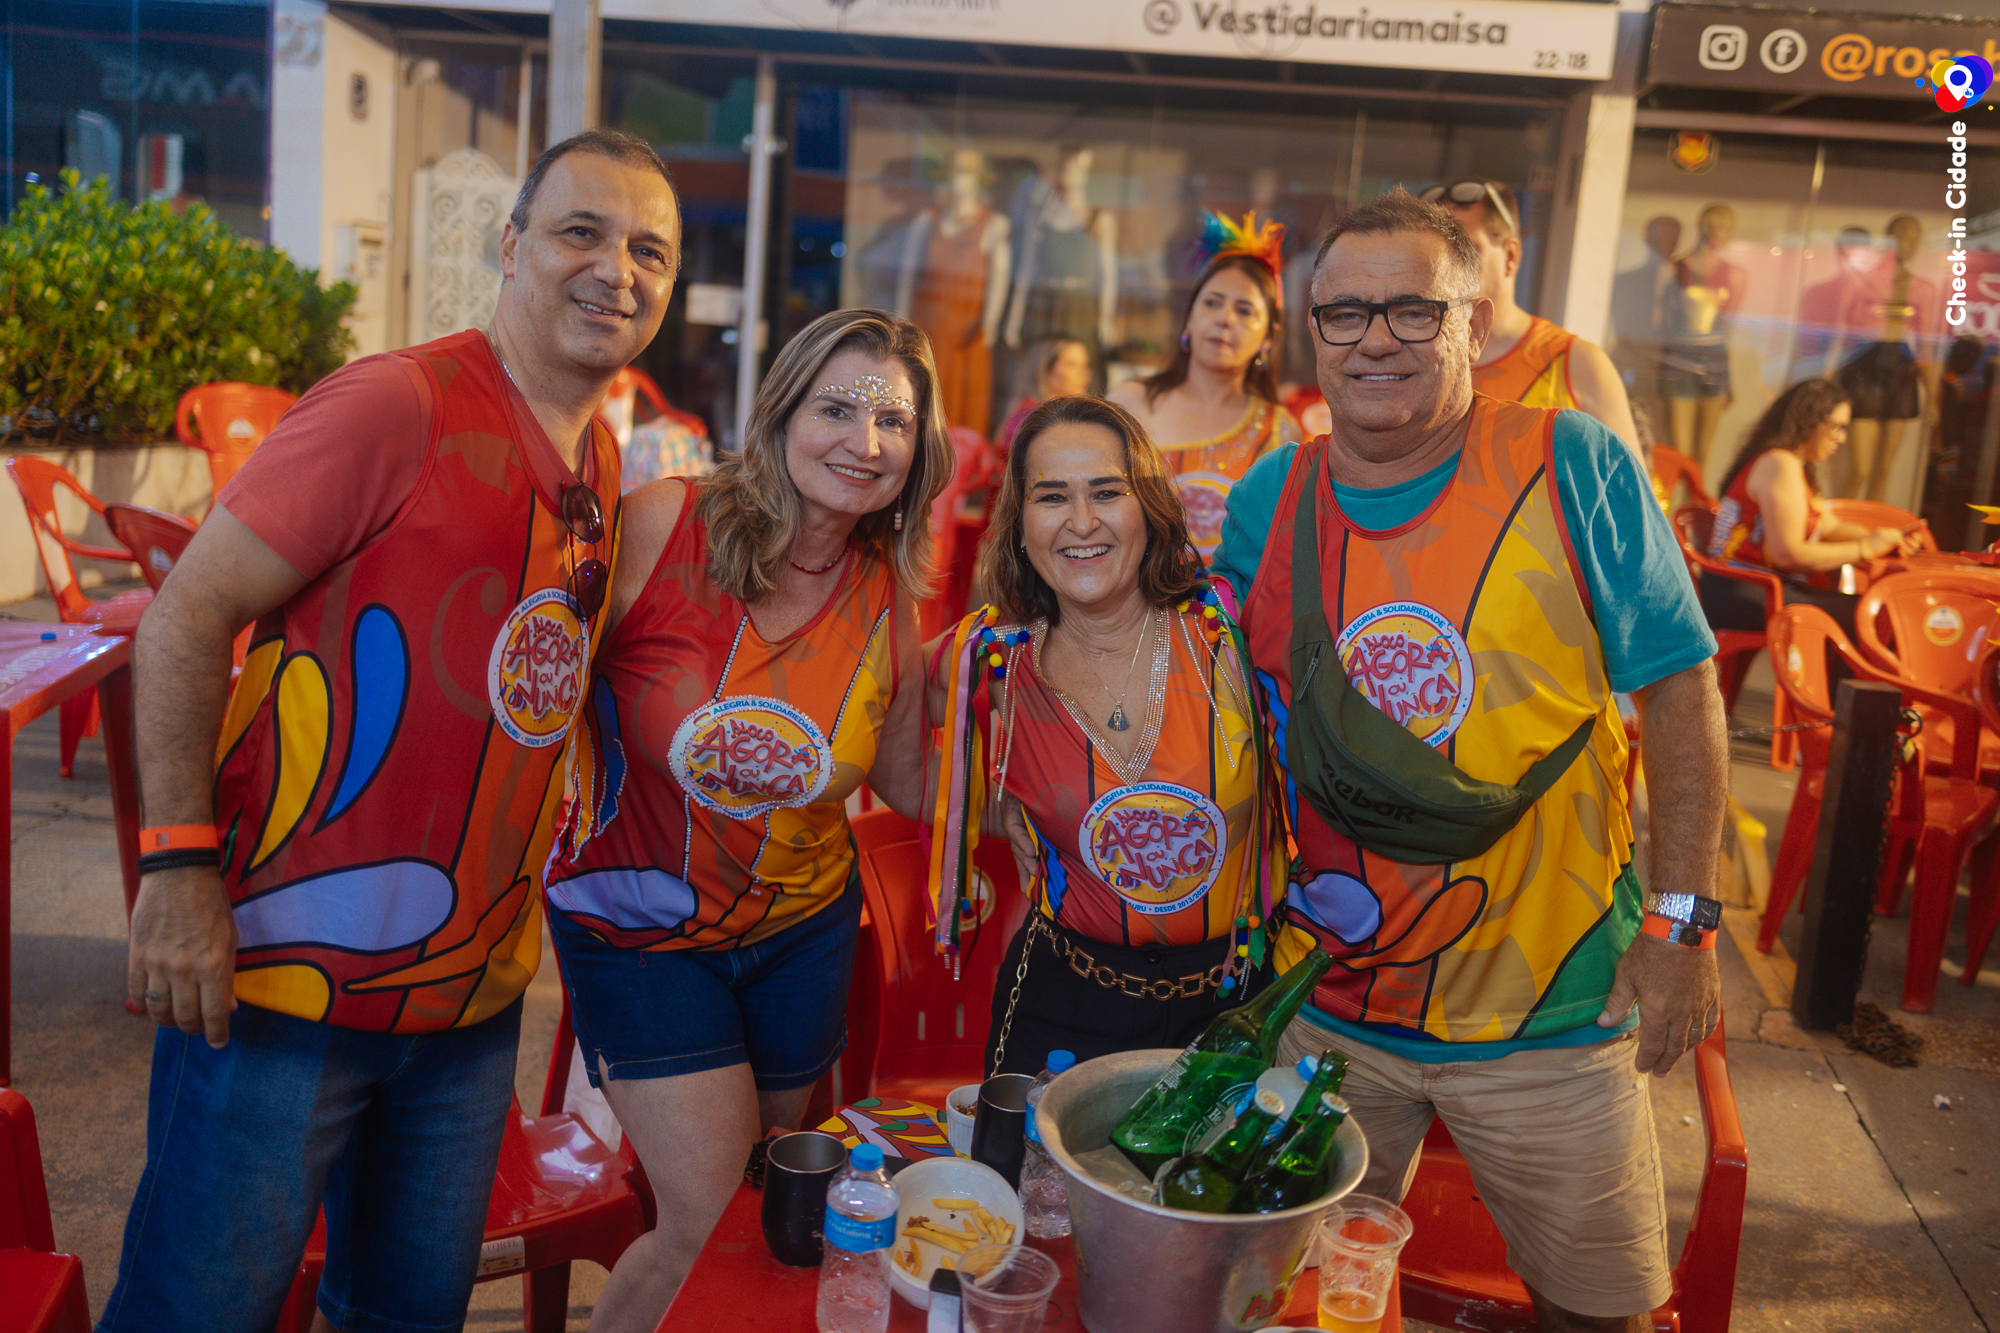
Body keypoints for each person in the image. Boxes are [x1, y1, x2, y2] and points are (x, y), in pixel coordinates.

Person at [103, 129, 678, 1332]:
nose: (616, 269)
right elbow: (185, 616)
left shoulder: (600, 455)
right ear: (510, 247)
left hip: (468, 1011)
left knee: (407, 1316)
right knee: (197, 1312)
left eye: (649, 251)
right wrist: (177, 864)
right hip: (279, 984)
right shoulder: (396, 404)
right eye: (581, 232)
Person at [1213, 189, 1728, 1333]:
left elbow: (1682, 693)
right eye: (1344, 313)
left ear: (1474, 322)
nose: (1375, 339)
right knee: (1268, 1305)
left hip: (1553, 1014)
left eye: (1413, 309)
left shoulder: (1568, 461)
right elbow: (1209, 712)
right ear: (1310, 332)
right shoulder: (1268, 497)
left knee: (1597, 1316)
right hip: (1322, 1009)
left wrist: (1683, 924)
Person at [539, 308, 946, 1328]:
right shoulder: (662, 525)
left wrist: (1056, 743)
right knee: (708, 1215)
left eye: (893, 421)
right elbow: (534, 693)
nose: (865, 441)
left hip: (802, 934)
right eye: (836, 408)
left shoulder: (886, 593)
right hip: (638, 931)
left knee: (762, 1205)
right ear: (780, 412)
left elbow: (908, 778)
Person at [926, 395, 1287, 1076]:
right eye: (1051, 496)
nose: (1082, 521)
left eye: (1107, 492)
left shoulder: (1229, 634)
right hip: (1062, 1003)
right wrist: (997, 807)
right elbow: (888, 707)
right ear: (1020, 524)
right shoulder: (996, 658)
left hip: (1234, 1007)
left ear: (1149, 508)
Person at [1109, 211, 1305, 561]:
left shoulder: (1278, 431)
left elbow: (1279, 551)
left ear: (1267, 339)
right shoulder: (1129, 403)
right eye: (1212, 303)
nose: (1224, 319)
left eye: (1244, 311)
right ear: (1190, 318)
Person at [1424, 178, 1642, 454]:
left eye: (1467, 251)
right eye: (1437, 254)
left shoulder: (1576, 364)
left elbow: (1627, 481)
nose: (1446, 268)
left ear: (1511, 256)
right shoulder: (1413, 354)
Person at [1701, 378, 1922, 636]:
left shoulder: (1792, 464)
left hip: (1754, 586)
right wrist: (1864, 548)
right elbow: (1787, 554)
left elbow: (1829, 527)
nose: (1842, 439)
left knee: (1879, 613)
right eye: (1837, 427)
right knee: (1881, 618)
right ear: (1808, 421)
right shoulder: (1780, 463)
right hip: (1741, 590)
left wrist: (1884, 540)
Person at [995, 335, 1092, 451]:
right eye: (1071, 364)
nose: (1083, 373)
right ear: (1045, 369)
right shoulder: (1032, 418)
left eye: (1085, 365)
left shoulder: (1063, 414)